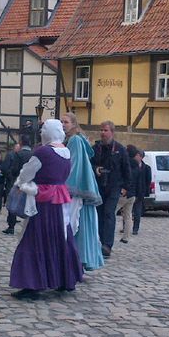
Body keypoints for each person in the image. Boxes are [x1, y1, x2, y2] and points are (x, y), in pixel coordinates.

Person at [9, 119, 84, 300]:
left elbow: (27, 174)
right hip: (60, 201)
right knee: (62, 237)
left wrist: (22, 184)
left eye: (43, 130)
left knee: (35, 239)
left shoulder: (43, 152)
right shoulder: (66, 151)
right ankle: (65, 279)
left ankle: (33, 284)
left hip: (42, 202)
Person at [61, 112, 104, 271]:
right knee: (81, 226)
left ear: (73, 124)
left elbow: (74, 164)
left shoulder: (74, 141)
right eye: (61, 122)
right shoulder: (74, 140)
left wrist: (66, 187)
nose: (63, 124)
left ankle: (76, 261)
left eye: (66, 122)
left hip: (77, 191)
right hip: (81, 190)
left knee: (77, 225)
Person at [92, 121, 131, 257]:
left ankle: (107, 244)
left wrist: (126, 187)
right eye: (101, 130)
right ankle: (99, 241)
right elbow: (90, 164)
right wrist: (95, 169)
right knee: (99, 214)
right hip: (99, 186)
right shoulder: (96, 148)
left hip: (114, 186)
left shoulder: (120, 150)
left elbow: (126, 169)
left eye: (105, 130)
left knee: (109, 213)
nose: (103, 133)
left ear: (112, 132)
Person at [2, 136, 32, 235]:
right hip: (30, 182)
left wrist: (10, 175)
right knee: (29, 203)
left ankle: (11, 226)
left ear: (21, 143)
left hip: (18, 181)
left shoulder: (18, 154)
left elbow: (15, 169)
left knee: (13, 203)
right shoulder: (33, 154)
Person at [115, 144, 139, 244]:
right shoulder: (137, 166)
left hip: (124, 192)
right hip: (132, 194)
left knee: (112, 212)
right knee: (128, 216)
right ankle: (126, 237)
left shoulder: (126, 163)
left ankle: (108, 233)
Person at [131, 149, 152, 236]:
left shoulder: (146, 168)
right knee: (127, 211)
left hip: (140, 192)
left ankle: (135, 228)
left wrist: (145, 191)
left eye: (137, 155)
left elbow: (148, 180)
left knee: (137, 211)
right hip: (131, 191)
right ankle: (126, 227)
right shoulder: (131, 166)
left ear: (140, 156)